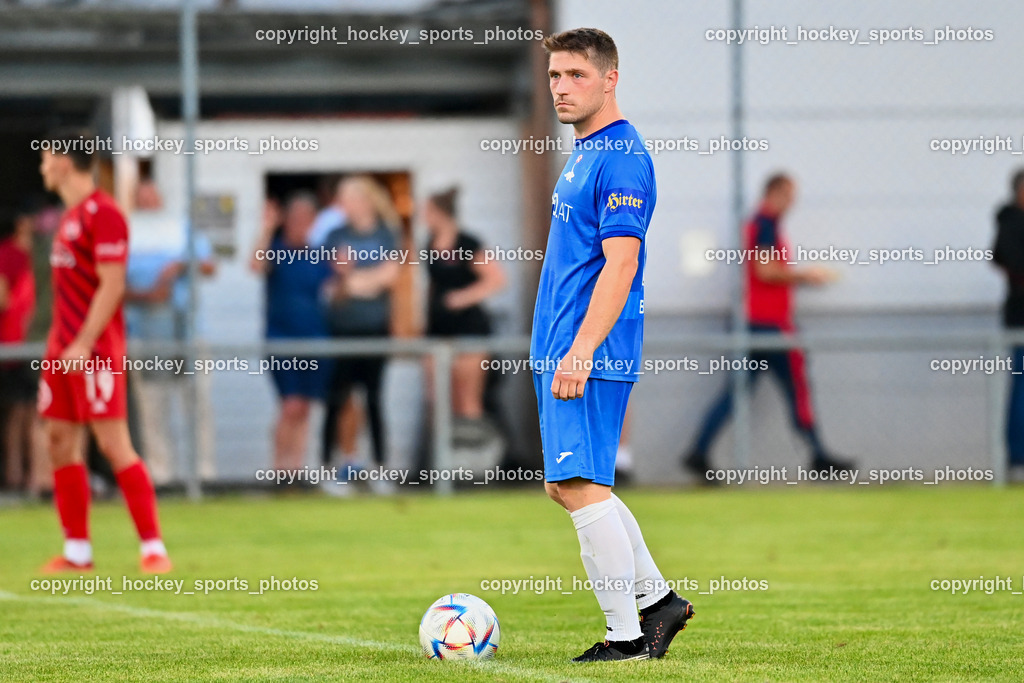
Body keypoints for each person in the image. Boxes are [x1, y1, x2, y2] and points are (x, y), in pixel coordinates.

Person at [531, 28, 693, 662]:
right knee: (568, 483)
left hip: (589, 346)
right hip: (563, 341)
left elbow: (620, 265)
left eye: (575, 75)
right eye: (554, 76)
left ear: (609, 78)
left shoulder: (622, 157)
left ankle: (625, 638)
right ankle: (659, 603)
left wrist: (582, 348)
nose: (562, 88)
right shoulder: (585, 151)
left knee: (577, 483)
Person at [36, 127, 171, 573]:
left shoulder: (105, 214)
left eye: (47, 155)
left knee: (113, 445)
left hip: (93, 351)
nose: (42, 164)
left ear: (64, 162)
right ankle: (78, 551)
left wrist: (84, 342)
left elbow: (112, 286)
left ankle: (153, 548)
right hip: (63, 349)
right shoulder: (68, 217)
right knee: (59, 441)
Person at [682, 174, 852, 479]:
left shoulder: (762, 223)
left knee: (737, 393)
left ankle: (699, 451)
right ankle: (819, 456)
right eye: (789, 196)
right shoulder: (765, 223)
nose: (792, 203)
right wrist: (806, 277)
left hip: (755, 324)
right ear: (775, 193)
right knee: (796, 386)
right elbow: (765, 270)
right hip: (768, 326)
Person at [125, 179, 217, 485]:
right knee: (152, 405)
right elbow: (111, 286)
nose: (149, 203)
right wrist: (146, 294)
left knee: (196, 401)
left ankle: (202, 472)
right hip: (145, 332)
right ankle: (160, 474)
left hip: (187, 332)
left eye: (153, 197)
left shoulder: (181, 229)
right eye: (142, 199)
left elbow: (208, 266)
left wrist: (176, 267)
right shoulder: (128, 234)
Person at [320, 177, 400, 494]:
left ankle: (380, 467)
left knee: (374, 399)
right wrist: (360, 281)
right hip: (341, 330)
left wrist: (355, 279)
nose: (343, 205)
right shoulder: (334, 236)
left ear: (365, 201)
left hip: (376, 330)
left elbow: (390, 277)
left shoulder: (385, 234)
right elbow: (331, 288)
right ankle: (331, 467)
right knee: (337, 399)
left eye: (348, 198)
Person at [251, 193, 333, 474]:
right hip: (281, 338)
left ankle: (296, 470)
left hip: (314, 338)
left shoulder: (319, 255)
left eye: (305, 220)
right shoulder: (276, 250)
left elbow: (334, 292)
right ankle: (279, 470)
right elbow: (256, 265)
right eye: (294, 219)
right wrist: (265, 228)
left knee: (305, 408)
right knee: (290, 405)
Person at [422, 186, 506, 428]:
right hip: (439, 328)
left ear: (440, 212)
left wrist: (462, 297)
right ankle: (443, 459)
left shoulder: (466, 242)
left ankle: (472, 459)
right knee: (438, 400)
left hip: (469, 327)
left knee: (466, 399)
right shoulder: (429, 244)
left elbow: (497, 279)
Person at [0, 204, 47, 495]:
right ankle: (14, 474)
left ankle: (33, 475)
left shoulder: (42, 254)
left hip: (37, 341)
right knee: (17, 411)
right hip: (15, 341)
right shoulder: (7, 253)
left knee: (34, 410)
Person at [992, 169, 1024, 479]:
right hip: (1020, 321)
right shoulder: (1011, 222)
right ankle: (1016, 457)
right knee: (1021, 389)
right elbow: (1006, 259)